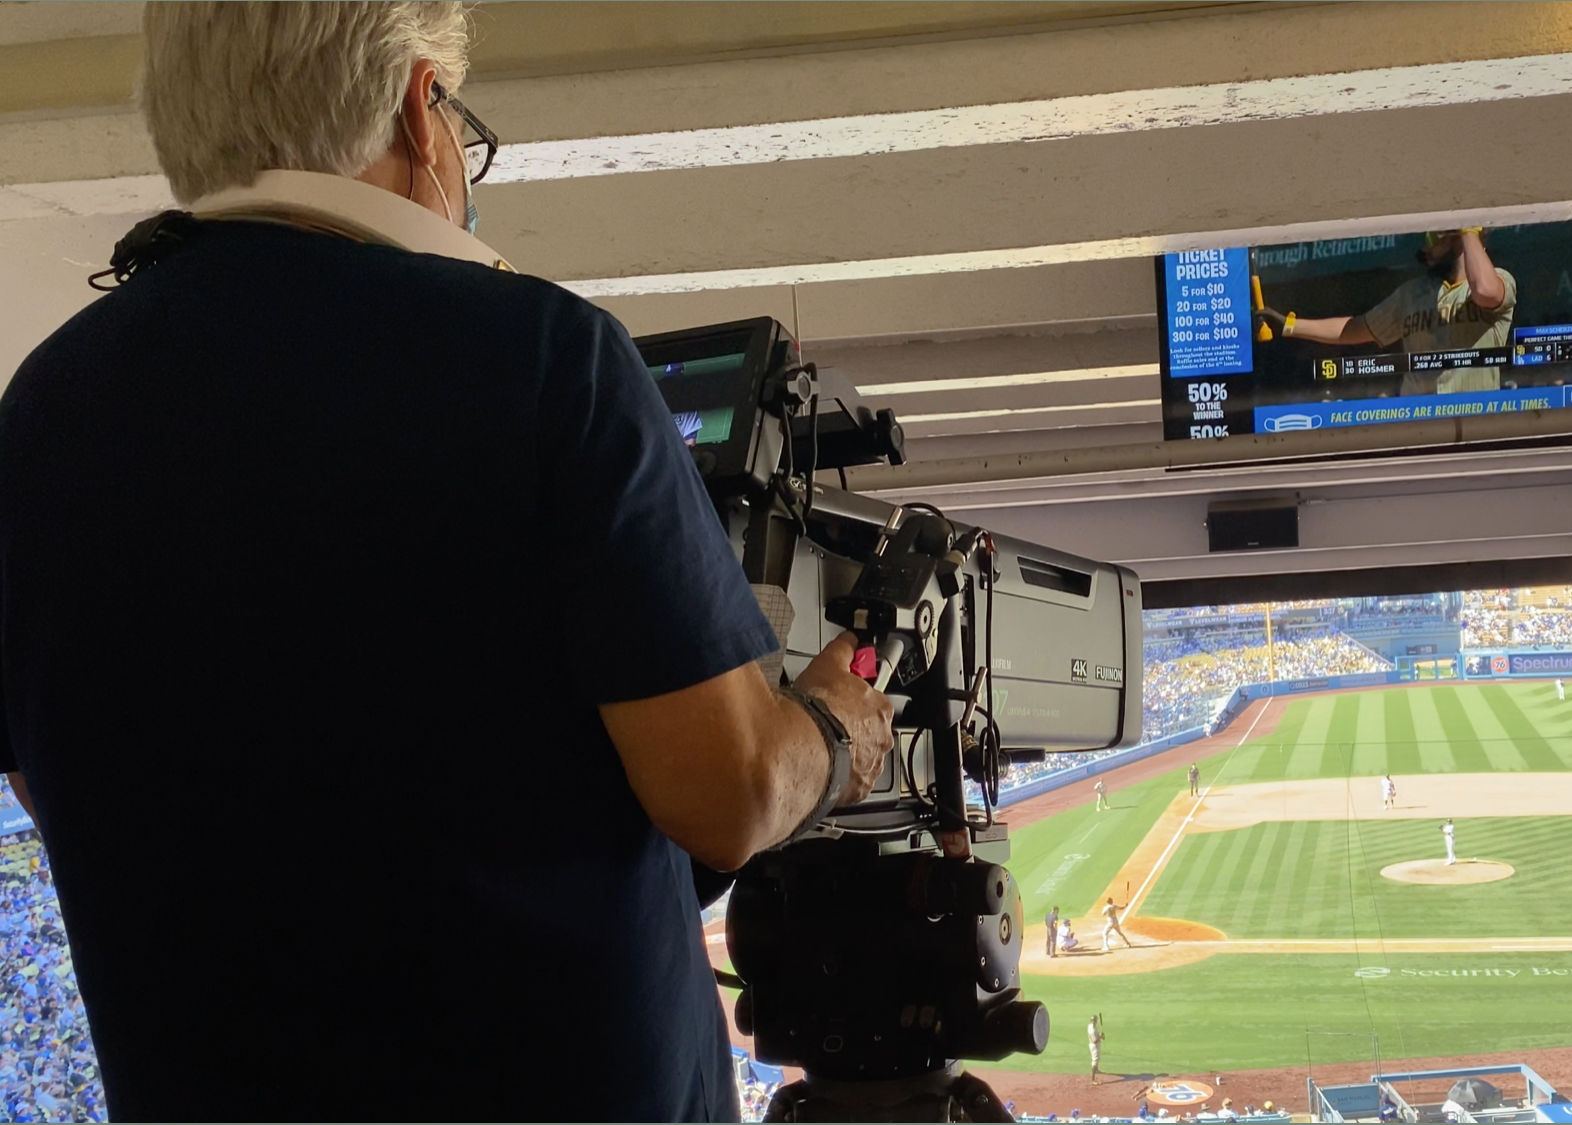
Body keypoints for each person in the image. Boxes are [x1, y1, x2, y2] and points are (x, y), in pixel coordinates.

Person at [0, 5, 896, 1119]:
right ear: (421, 110)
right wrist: (834, 726)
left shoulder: (36, 412)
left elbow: (57, 778)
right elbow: (731, 794)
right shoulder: (542, 357)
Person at [1254, 228, 1517, 396]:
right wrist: (1290, 325)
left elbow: (1484, 290)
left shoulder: (1500, 280)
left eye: (1430, 236)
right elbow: (1356, 329)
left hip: (1476, 423)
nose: (1426, 250)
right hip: (1419, 424)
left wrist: (1468, 230)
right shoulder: (1411, 293)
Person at [1087, 1014, 1105, 1085]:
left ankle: (1097, 1070)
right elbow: (1094, 1041)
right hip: (1094, 1046)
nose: (1096, 1021)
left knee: (1097, 1059)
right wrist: (1100, 1036)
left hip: (1094, 1045)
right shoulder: (1092, 1030)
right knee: (1095, 1060)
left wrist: (1099, 1035)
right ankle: (1093, 1080)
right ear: (1092, 1021)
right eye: (1095, 1020)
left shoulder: (1090, 1026)